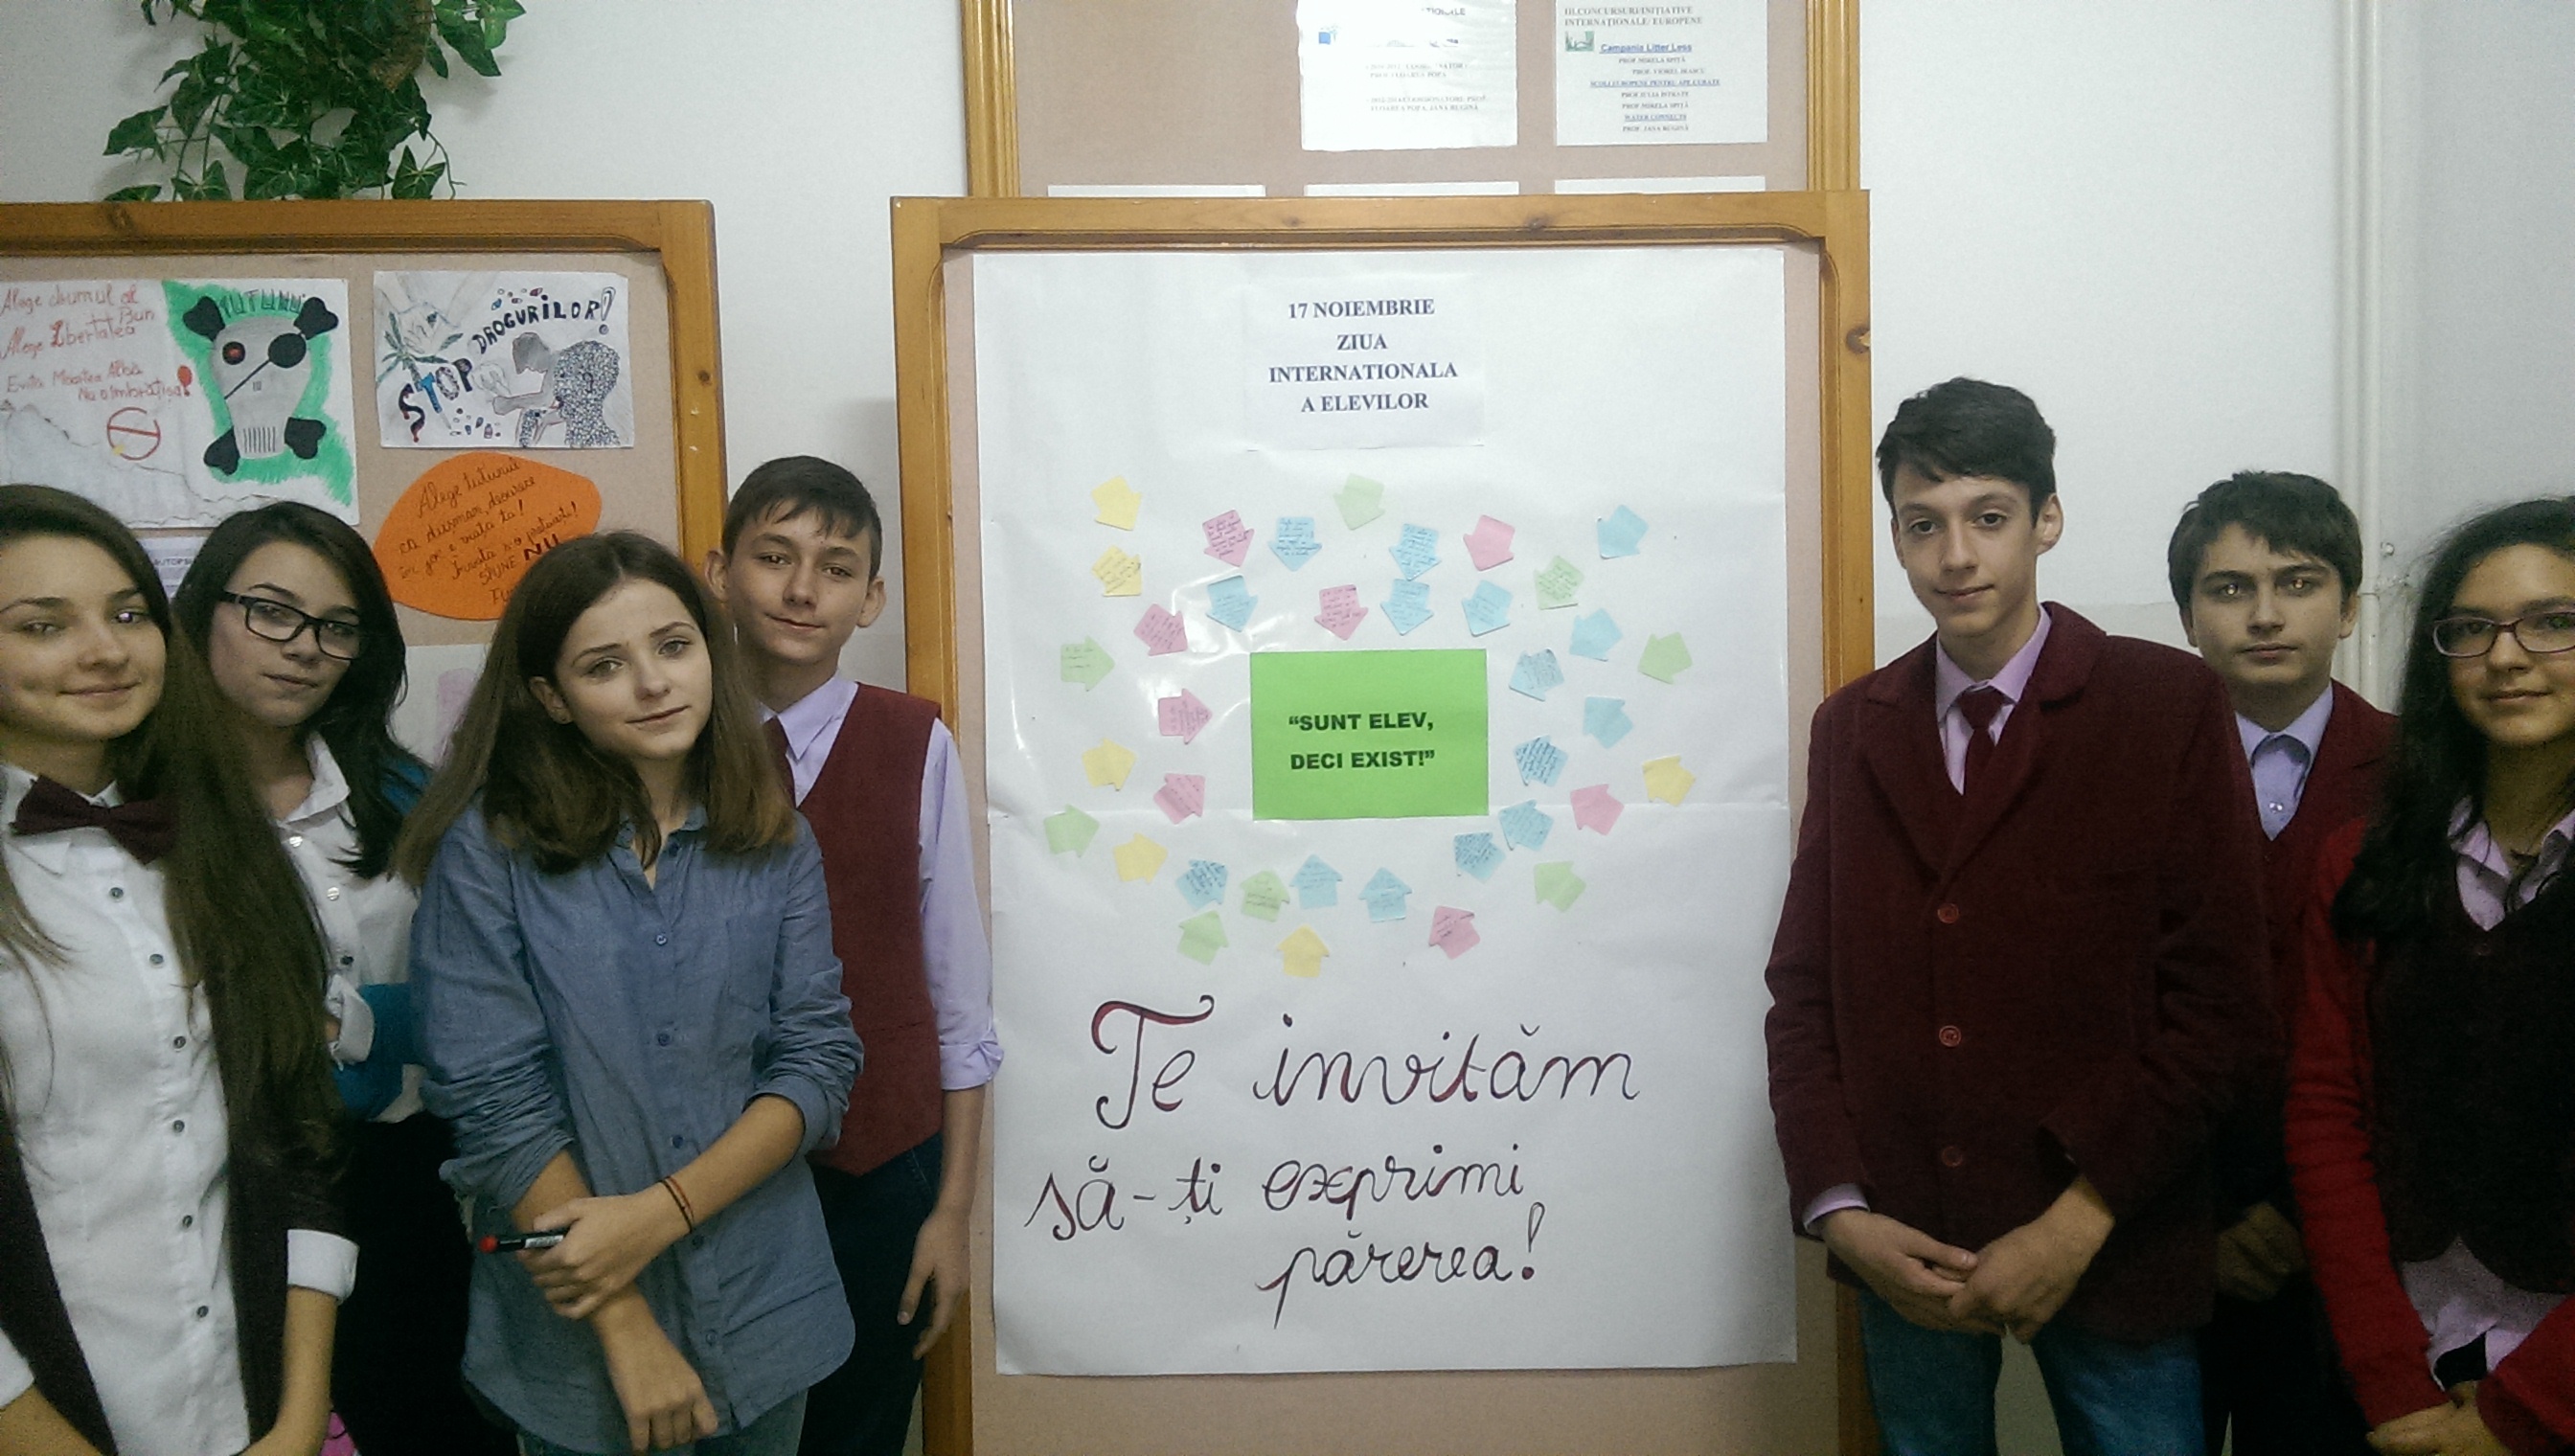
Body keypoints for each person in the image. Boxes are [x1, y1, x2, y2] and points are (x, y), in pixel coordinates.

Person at [1764, 378, 2272, 1455]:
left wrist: (2078, 1221)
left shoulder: (2164, 704)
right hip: (1905, 1233)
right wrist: (1840, 1210)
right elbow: (1805, 991)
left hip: (2114, 1222)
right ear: (1896, 537)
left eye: (1988, 516)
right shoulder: (1854, 726)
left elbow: (2221, 1004)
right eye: (1923, 524)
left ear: (2047, 518)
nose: (1956, 555)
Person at [397, 531, 860, 1456]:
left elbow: (817, 1060)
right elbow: (495, 1102)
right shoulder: (490, 852)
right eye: (604, 666)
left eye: (674, 646)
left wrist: (659, 1215)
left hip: (769, 1310)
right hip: (580, 1346)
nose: (653, 684)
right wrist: (626, 1326)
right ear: (551, 698)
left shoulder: (775, 839)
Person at [0, 483, 351, 1456]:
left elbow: (299, 1135)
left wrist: (298, 1412)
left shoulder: (218, 845)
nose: (106, 650)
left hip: (245, 1409)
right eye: (42, 625)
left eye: (126, 614)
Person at [174, 503, 513, 1456]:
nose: (303, 647)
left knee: (431, 1419)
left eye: (336, 626)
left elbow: (485, 993)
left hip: (397, 1173)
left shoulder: (407, 796)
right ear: (203, 612)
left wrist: (351, 1026)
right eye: (271, 611)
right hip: (223, 1183)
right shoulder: (147, 805)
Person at [699, 456, 997, 1456]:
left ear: (870, 599)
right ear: (719, 572)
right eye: (773, 556)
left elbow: (958, 994)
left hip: (881, 1172)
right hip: (707, 1170)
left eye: (835, 568)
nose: (801, 589)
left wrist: (950, 1209)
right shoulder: (665, 733)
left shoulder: (915, 742)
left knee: (856, 1431)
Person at [2289, 497, 2575, 1456]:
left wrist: (2521, 1410)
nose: (2506, 657)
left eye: (2553, 622)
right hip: (2407, 1356)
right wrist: (2387, 1373)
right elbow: (2325, 1110)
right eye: (2471, 629)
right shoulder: (2364, 859)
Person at [2168, 471, 2390, 1454]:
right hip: (2167, 1221)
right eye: (2229, 589)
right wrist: (2202, 1212)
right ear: (2188, 618)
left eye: (2298, 583)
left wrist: (2312, 1212)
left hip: (2357, 1234)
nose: (2264, 614)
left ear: (2348, 607)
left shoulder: (2423, 776)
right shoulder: (2128, 776)